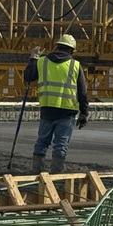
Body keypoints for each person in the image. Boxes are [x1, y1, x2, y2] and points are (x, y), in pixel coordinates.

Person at [24, 34, 89, 174]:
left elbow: (28, 77)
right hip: (66, 112)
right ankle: (56, 175)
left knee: (42, 141)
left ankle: (36, 172)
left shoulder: (42, 62)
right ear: (71, 50)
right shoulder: (75, 65)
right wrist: (84, 113)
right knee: (61, 145)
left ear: (57, 46)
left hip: (47, 110)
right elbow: (82, 92)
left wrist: (33, 59)